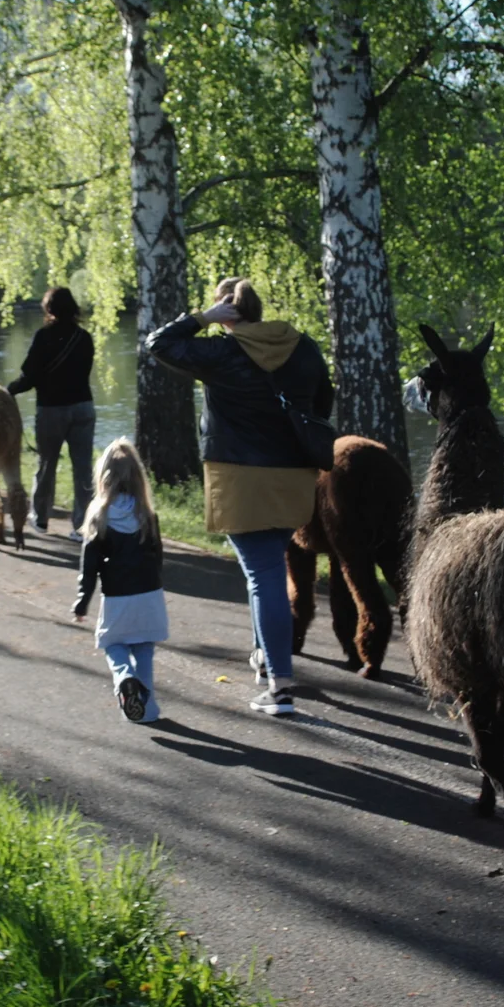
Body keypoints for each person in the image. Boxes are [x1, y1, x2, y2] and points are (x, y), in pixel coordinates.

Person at [147, 276, 331, 717]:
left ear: (227, 311)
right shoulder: (301, 346)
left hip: (240, 478)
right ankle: (265, 656)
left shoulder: (223, 351)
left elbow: (159, 344)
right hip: (293, 476)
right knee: (265, 571)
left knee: (263, 573)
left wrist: (201, 319)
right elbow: (322, 401)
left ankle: (281, 686)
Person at [73, 438, 169, 724]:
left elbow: (89, 567)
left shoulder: (100, 516)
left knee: (114, 644)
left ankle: (124, 677)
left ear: (103, 477)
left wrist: (82, 601)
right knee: (144, 649)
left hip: (117, 596)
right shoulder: (147, 515)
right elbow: (158, 556)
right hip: (149, 594)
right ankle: (148, 710)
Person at [7, 286, 96, 539]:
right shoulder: (85, 338)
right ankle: (82, 526)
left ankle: (42, 518)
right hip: (83, 408)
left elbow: (29, 377)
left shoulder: (44, 336)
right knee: (83, 468)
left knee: (47, 464)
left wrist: (7, 391)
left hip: (52, 410)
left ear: (48, 309)